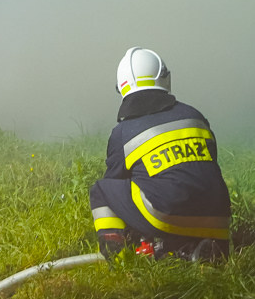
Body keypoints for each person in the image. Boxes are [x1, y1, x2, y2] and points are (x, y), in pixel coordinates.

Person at [90, 47, 231, 262]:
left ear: (122, 88)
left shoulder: (122, 133)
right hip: (219, 218)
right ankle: (198, 248)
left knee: (102, 190)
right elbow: (207, 165)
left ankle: (118, 255)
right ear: (165, 78)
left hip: (168, 217)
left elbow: (116, 181)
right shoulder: (195, 116)